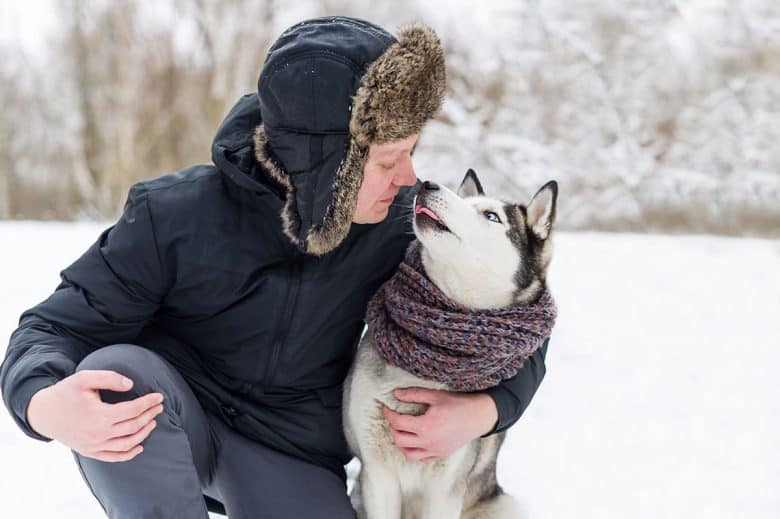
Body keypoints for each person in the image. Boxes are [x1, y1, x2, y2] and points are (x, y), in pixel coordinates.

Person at [0, 16, 549, 518]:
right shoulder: (171, 214)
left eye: (410, 152)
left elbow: (514, 319)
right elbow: (54, 327)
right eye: (387, 161)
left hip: (289, 450)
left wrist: (484, 411)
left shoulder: (395, 226)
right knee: (120, 373)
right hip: (173, 419)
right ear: (329, 164)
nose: (408, 177)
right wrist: (42, 401)